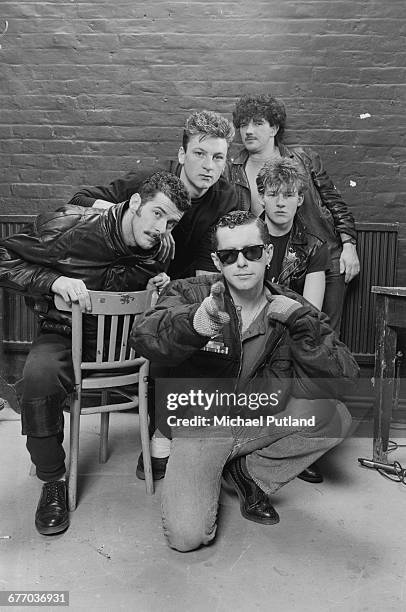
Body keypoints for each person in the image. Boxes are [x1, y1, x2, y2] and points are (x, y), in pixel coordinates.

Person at [130, 210, 359, 552]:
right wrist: (196, 322)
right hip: (201, 427)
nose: (241, 263)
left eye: (251, 252)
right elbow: (146, 336)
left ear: (267, 253)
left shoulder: (290, 306)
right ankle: (220, 465)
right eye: (229, 255)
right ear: (216, 261)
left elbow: (345, 375)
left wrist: (301, 326)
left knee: (336, 415)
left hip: (259, 417)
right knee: (186, 536)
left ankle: (249, 472)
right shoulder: (193, 294)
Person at [0, 171, 191, 536]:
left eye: (171, 222)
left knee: (183, 359)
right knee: (37, 378)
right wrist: (52, 281)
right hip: (63, 332)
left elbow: (143, 291)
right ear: (135, 203)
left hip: (125, 346)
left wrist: (154, 287)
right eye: (157, 214)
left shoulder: (163, 246)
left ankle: (162, 453)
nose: (162, 228)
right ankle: (53, 480)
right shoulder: (69, 227)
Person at [223, 93, 360, 334]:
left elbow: (335, 203)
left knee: (324, 334)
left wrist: (349, 246)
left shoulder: (303, 160)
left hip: (325, 256)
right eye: (243, 124)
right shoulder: (233, 169)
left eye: (257, 123)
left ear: (274, 127)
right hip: (279, 261)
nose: (248, 131)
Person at [68, 110, 239, 278]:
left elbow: (205, 267)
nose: (208, 166)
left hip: (180, 286)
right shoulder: (150, 182)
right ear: (182, 155)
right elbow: (79, 200)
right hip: (128, 280)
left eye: (217, 157)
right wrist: (143, 217)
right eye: (199, 153)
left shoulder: (225, 199)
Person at [257, 157, 332, 484]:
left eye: (288, 195)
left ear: (299, 199)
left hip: (289, 327)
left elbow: (310, 310)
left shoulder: (314, 245)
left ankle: (296, 446)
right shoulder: (246, 233)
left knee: (310, 353)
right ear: (262, 196)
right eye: (273, 194)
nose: (280, 202)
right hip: (252, 323)